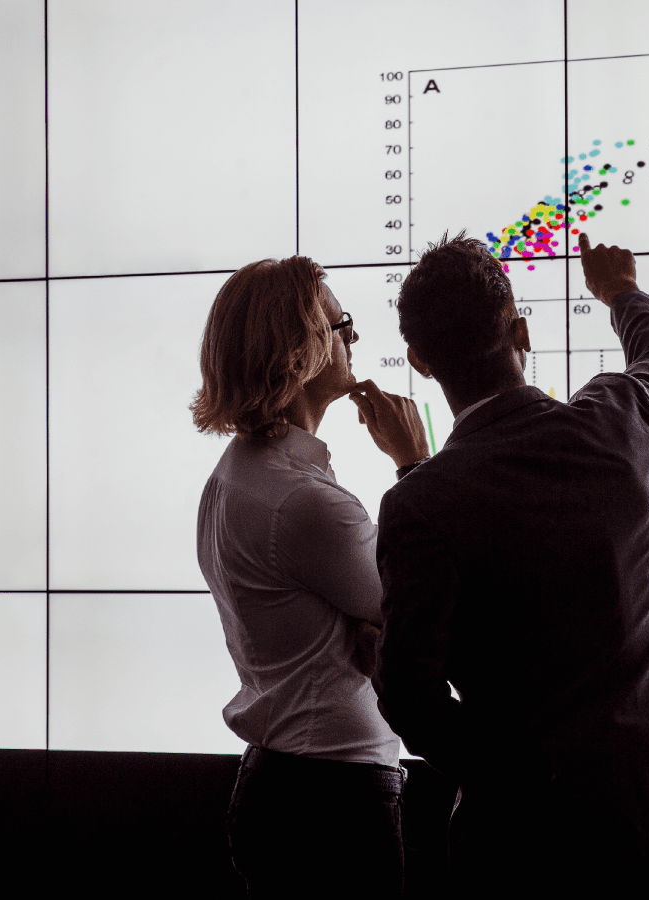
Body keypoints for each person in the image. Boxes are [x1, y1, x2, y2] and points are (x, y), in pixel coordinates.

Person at [359, 231, 649, 896]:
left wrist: (517, 773)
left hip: (519, 847)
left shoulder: (421, 502)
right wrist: (620, 292)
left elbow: (410, 699)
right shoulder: (619, 424)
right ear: (521, 333)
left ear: (419, 361)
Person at [191, 256, 430, 899]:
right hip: (332, 801)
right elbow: (427, 612)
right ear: (299, 350)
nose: (352, 337)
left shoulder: (235, 476)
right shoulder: (303, 502)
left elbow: (383, 615)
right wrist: (415, 464)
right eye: (339, 324)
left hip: (285, 786)